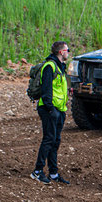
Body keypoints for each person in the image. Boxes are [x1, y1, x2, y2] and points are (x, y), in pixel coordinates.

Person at [31, 41, 71, 185]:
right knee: (49, 139)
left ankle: (53, 173)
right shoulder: (50, 66)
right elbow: (47, 90)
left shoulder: (60, 67)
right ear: (61, 52)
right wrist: (50, 109)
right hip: (50, 109)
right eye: (68, 50)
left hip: (59, 109)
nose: (68, 52)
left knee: (55, 140)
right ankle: (37, 171)